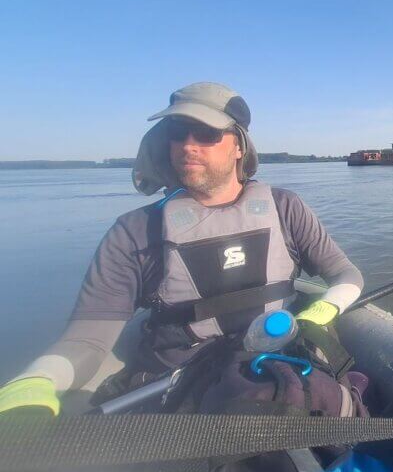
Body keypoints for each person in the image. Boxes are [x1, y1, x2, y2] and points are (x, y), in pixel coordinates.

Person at [0, 82, 364, 416]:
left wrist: (323, 309)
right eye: (177, 132)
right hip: (181, 385)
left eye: (206, 133)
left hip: (276, 360)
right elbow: (87, 339)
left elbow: (346, 275)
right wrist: (37, 381)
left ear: (239, 146)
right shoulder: (134, 231)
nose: (188, 145)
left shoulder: (286, 208)